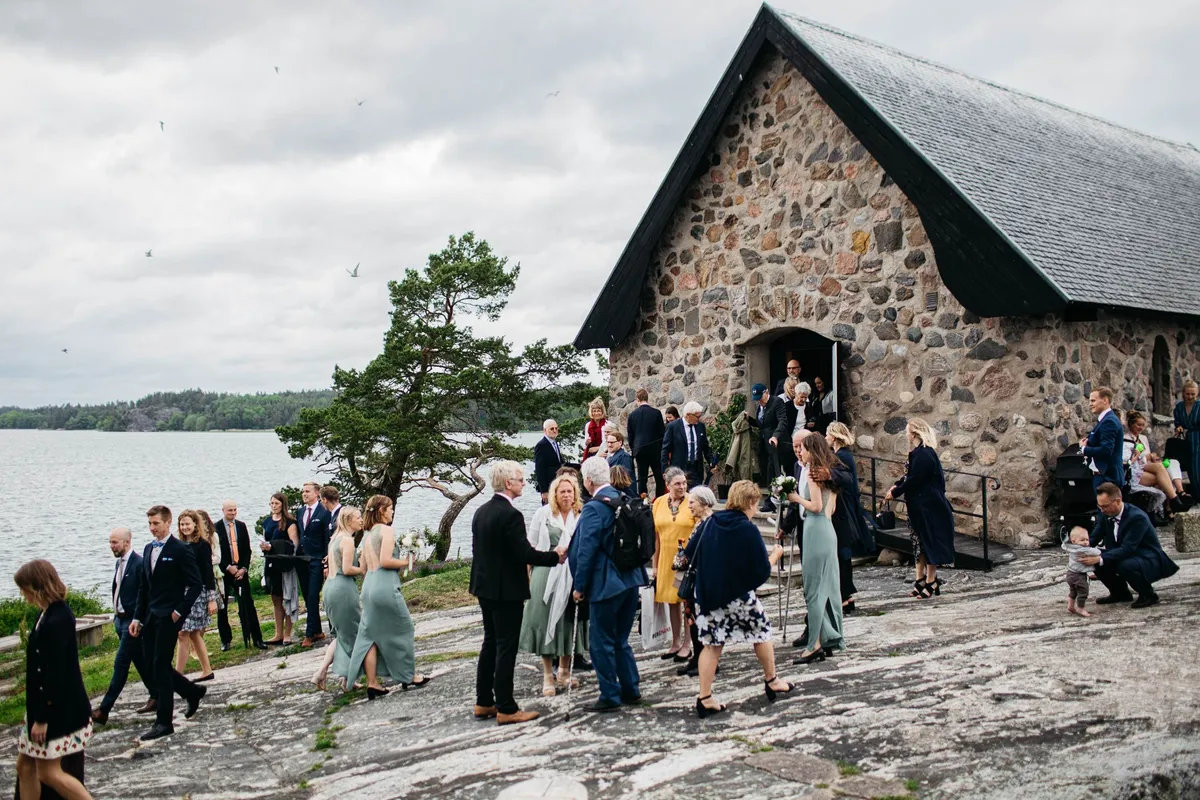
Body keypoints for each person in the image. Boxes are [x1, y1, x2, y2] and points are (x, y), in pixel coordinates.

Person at [684, 480, 792, 718]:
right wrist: (775, 555)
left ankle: (704, 697)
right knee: (761, 632)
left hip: (708, 595)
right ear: (751, 502)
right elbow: (761, 570)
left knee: (712, 645)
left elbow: (689, 553)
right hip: (736, 596)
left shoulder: (710, 522)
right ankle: (771, 680)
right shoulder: (747, 528)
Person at [469, 461, 564, 725]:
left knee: (490, 642)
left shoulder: (481, 511)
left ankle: (484, 701)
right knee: (505, 647)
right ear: (508, 483)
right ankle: (506, 707)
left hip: (484, 586)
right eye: (520, 479)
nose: (524, 483)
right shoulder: (511, 515)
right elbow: (523, 553)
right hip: (506, 590)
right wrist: (554, 557)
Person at [570, 456, 647, 712]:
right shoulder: (623, 498)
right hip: (630, 579)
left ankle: (610, 695)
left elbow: (586, 549)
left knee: (600, 641)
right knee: (620, 639)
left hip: (606, 583)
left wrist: (579, 586)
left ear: (588, 481)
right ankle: (631, 688)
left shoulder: (594, 507)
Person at [13, 560, 94, 800]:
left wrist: (42, 718)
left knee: (49, 773)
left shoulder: (58, 619)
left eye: (24, 588)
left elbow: (56, 673)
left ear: (36, 586)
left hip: (57, 709)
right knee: (24, 766)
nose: (22, 594)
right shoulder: (47, 613)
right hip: (44, 707)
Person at [129, 505, 206, 741]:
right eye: (150, 524)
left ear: (168, 522)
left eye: (156, 524)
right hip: (151, 615)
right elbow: (144, 587)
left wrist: (179, 611)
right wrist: (137, 617)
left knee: (160, 665)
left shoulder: (180, 549)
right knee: (153, 665)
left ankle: (164, 722)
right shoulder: (148, 549)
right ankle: (192, 691)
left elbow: (195, 584)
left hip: (169, 615)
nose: (152, 528)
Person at [346, 496, 429, 698]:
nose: (392, 512)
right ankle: (409, 676)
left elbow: (364, 567)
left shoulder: (367, 535)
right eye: (390, 508)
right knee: (404, 628)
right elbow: (385, 561)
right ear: (382, 510)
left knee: (369, 636)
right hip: (384, 586)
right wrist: (407, 561)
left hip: (368, 587)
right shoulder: (386, 530)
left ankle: (373, 683)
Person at [518, 474, 584, 697]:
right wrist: (526, 576)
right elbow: (531, 545)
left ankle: (564, 670)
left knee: (568, 621)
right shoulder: (543, 514)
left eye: (570, 491)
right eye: (562, 491)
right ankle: (547, 674)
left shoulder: (581, 514)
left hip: (572, 574)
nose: (566, 495)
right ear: (555, 493)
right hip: (546, 573)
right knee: (546, 621)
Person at [787, 434, 845, 664]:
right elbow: (830, 509)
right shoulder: (828, 473)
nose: (800, 452)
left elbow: (817, 506)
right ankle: (827, 636)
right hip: (828, 530)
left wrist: (795, 498)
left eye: (803, 448)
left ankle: (814, 645)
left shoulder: (813, 471)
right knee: (828, 586)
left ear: (812, 450)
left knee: (813, 589)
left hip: (813, 528)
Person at [884, 419, 957, 599]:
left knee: (928, 540)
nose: (906, 434)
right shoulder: (918, 453)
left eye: (908, 431)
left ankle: (931, 580)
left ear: (915, 433)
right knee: (919, 542)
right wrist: (896, 486)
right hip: (919, 505)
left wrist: (896, 492)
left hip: (928, 505)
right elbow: (910, 476)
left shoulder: (924, 454)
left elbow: (915, 479)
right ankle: (921, 579)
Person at [1079, 483, 1180, 608]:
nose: (1102, 510)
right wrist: (1080, 550)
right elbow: (1094, 537)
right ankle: (1120, 593)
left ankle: (1148, 594)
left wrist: (1100, 558)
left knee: (1122, 565)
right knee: (1096, 559)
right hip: (1124, 553)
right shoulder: (1106, 514)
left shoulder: (1137, 517)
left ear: (1117, 501)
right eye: (1099, 506)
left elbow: (1128, 548)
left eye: (1105, 506)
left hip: (1147, 557)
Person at [93, 528, 155, 724]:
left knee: (121, 663)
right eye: (110, 542)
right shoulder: (118, 564)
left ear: (126, 543)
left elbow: (142, 595)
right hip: (120, 620)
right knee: (139, 660)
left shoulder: (137, 564)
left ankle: (104, 709)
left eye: (115, 543)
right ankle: (157, 695)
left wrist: (138, 619)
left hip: (132, 621)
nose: (111, 546)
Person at [650, 467, 695, 663]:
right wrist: (655, 564)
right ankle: (675, 642)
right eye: (677, 483)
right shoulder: (659, 503)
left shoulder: (693, 501)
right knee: (671, 601)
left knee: (686, 601)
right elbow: (656, 536)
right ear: (668, 485)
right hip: (666, 557)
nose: (682, 486)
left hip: (686, 558)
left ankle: (688, 643)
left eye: (684, 483)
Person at [827, 422, 872, 610]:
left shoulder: (841, 457)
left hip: (844, 509)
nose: (826, 437)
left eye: (828, 434)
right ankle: (846, 594)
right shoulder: (843, 456)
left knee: (842, 553)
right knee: (842, 553)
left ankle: (845, 595)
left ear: (835, 437)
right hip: (848, 506)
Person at [318, 507, 364, 691]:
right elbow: (347, 569)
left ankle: (326, 674)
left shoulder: (335, 538)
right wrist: (364, 568)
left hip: (330, 587)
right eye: (358, 517)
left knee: (342, 634)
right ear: (348, 520)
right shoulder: (347, 540)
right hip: (342, 590)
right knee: (355, 633)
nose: (361, 520)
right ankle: (348, 678)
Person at [676, 485, 716, 678]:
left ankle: (704, 659)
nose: (689, 505)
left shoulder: (707, 523)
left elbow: (690, 550)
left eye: (692, 502)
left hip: (701, 577)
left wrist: (680, 558)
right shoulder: (703, 522)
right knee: (693, 618)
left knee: (698, 619)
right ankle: (699, 657)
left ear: (703, 502)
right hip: (700, 575)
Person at [215, 501, 265, 652]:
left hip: (240, 570)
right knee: (222, 607)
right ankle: (225, 640)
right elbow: (215, 552)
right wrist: (228, 567)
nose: (232, 513)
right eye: (229, 510)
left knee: (248, 604)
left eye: (235, 510)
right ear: (223, 510)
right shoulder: (215, 528)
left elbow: (247, 550)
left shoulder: (241, 526)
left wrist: (243, 568)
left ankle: (256, 637)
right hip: (225, 571)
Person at [174, 510, 217, 682]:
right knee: (191, 634)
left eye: (187, 524)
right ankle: (206, 669)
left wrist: (211, 599)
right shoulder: (179, 545)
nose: (185, 527)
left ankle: (177, 676)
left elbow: (208, 572)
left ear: (195, 525)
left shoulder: (202, 545)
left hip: (198, 594)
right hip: (182, 593)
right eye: (182, 524)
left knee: (184, 633)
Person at [1124, 411, 1184, 519]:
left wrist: (1152, 456)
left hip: (1146, 466)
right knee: (1163, 475)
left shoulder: (1143, 438)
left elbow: (1147, 455)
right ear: (1131, 424)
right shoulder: (1126, 438)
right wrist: (1145, 457)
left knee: (1168, 465)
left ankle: (1172, 502)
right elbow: (1130, 459)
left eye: (1143, 425)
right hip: (1135, 469)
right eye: (1138, 425)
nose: (1141, 428)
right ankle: (1173, 502)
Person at [261, 492, 300, 645]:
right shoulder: (267, 521)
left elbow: (294, 545)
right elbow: (266, 538)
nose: (274, 506)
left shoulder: (289, 522)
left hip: (285, 563)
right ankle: (278, 633)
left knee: (287, 597)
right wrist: (265, 546)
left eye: (276, 503)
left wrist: (275, 546)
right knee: (275, 598)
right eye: (272, 503)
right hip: (271, 563)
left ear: (283, 505)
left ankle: (288, 633)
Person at [296, 481, 332, 647]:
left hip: (317, 559)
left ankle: (309, 634)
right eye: (303, 491)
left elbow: (327, 538)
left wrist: (327, 560)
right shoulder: (300, 512)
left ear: (317, 493)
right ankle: (317, 630)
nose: (304, 494)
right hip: (303, 559)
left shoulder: (324, 512)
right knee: (307, 596)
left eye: (308, 491)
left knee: (312, 595)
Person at [746, 382, 787, 512]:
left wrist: (776, 436)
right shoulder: (760, 407)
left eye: (760, 398)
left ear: (766, 392)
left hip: (776, 444)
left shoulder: (777, 402)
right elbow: (762, 425)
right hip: (764, 446)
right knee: (767, 472)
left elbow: (782, 421)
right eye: (757, 400)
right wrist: (749, 420)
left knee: (774, 473)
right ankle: (770, 501)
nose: (759, 402)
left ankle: (774, 501)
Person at [661, 401, 718, 487]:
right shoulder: (673, 427)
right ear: (688, 415)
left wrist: (711, 460)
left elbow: (705, 447)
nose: (698, 419)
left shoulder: (700, 426)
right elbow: (665, 449)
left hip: (695, 468)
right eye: (697, 416)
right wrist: (665, 470)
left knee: (695, 496)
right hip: (679, 469)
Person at [1081, 387, 1124, 494]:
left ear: (1105, 400)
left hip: (1107, 477)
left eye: (1093, 400)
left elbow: (1106, 449)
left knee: (1107, 509)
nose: (1090, 404)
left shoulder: (1109, 421)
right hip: (1104, 476)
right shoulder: (1106, 420)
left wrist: (1084, 449)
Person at [628, 388, 667, 499]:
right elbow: (661, 434)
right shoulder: (656, 413)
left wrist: (634, 449)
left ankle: (643, 501)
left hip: (640, 450)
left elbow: (630, 436)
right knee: (659, 477)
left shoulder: (632, 415)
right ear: (647, 398)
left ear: (637, 399)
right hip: (655, 450)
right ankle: (659, 499)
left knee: (642, 478)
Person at [1062, 526, 1100, 618]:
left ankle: (1070, 606)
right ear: (1074, 541)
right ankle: (1080, 608)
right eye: (1082, 540)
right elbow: (1096, 552)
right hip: (1078, 575)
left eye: (1087, 539)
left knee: (1073, 591)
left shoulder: (1069, 547)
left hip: (1070, 574)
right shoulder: (1082, 549)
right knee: (1083, 591)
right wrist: (1100, 550)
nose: (1086, 542)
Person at [1174, 379, 1200, 485]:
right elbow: (1178, 422)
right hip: (1188, 439)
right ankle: (1195, 496)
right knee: (1191, 467)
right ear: (1183, 393)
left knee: (1198, 466)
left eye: (1193, 394)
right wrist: (1179, 427)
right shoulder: (1179, 407)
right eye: (1187, 394)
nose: (1190, 397)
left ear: (1197, 393)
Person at [534, 419, 565, 504]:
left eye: (556, 428)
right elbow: (539, 470)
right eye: (552, 429)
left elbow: (560, 463)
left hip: (557, 485)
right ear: (545, 430)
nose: (555, 431)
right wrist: (543, 491)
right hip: (548, 487)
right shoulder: (541, 445)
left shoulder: (554, 443)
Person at [604, 429, 638, 498]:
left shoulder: (624, 457)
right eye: (608, 442)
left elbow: (625, 479)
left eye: (612, 442)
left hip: (624, 495)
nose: (609, 445)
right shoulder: (609, 457)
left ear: (620, 443)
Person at [582, 397, 608, 462]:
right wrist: (587, 442)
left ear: (602, 412)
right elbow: (585, 444)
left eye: (598, 411)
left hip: (604, 454)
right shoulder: (588, 425)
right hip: (590, 454)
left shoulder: (607, 424)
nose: (596, 413)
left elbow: (610, 443)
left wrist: (597, 448)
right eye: (594, 411)